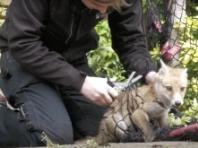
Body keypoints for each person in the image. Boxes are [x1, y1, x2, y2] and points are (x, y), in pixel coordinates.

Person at [0, 0, 157, 146]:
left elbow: (130, 40)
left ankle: (55, 115)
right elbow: (23, 42)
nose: (102, 12)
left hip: (72, 62)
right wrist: (80, 82)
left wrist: (149, 73)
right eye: (97, 2)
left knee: (112, 127)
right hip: (24, 60)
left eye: (109, 7)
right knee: (48, 137)